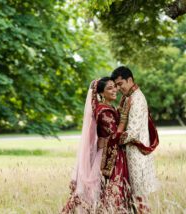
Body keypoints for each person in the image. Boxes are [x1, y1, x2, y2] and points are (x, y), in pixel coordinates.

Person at [61, 77, 133, 213]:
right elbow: (115, 135)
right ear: (101, 93)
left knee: (104, 191)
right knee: (109, 191)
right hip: (109, 155)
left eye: (115, 87)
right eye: (109, 88)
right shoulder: (104, 111)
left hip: (109, 151)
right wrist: (127, 123)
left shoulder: (108, 108)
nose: (115, 90)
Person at [111, 66, 159, 213]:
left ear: (130, 80)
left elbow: (132, 133)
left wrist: (112, 139)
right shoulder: (128, 97)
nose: (118, 88)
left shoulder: (137, 99)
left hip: (137, 155)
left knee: (140, 200)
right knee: (133, 199)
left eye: (120, 84)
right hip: (131, 154)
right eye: (116, 85)